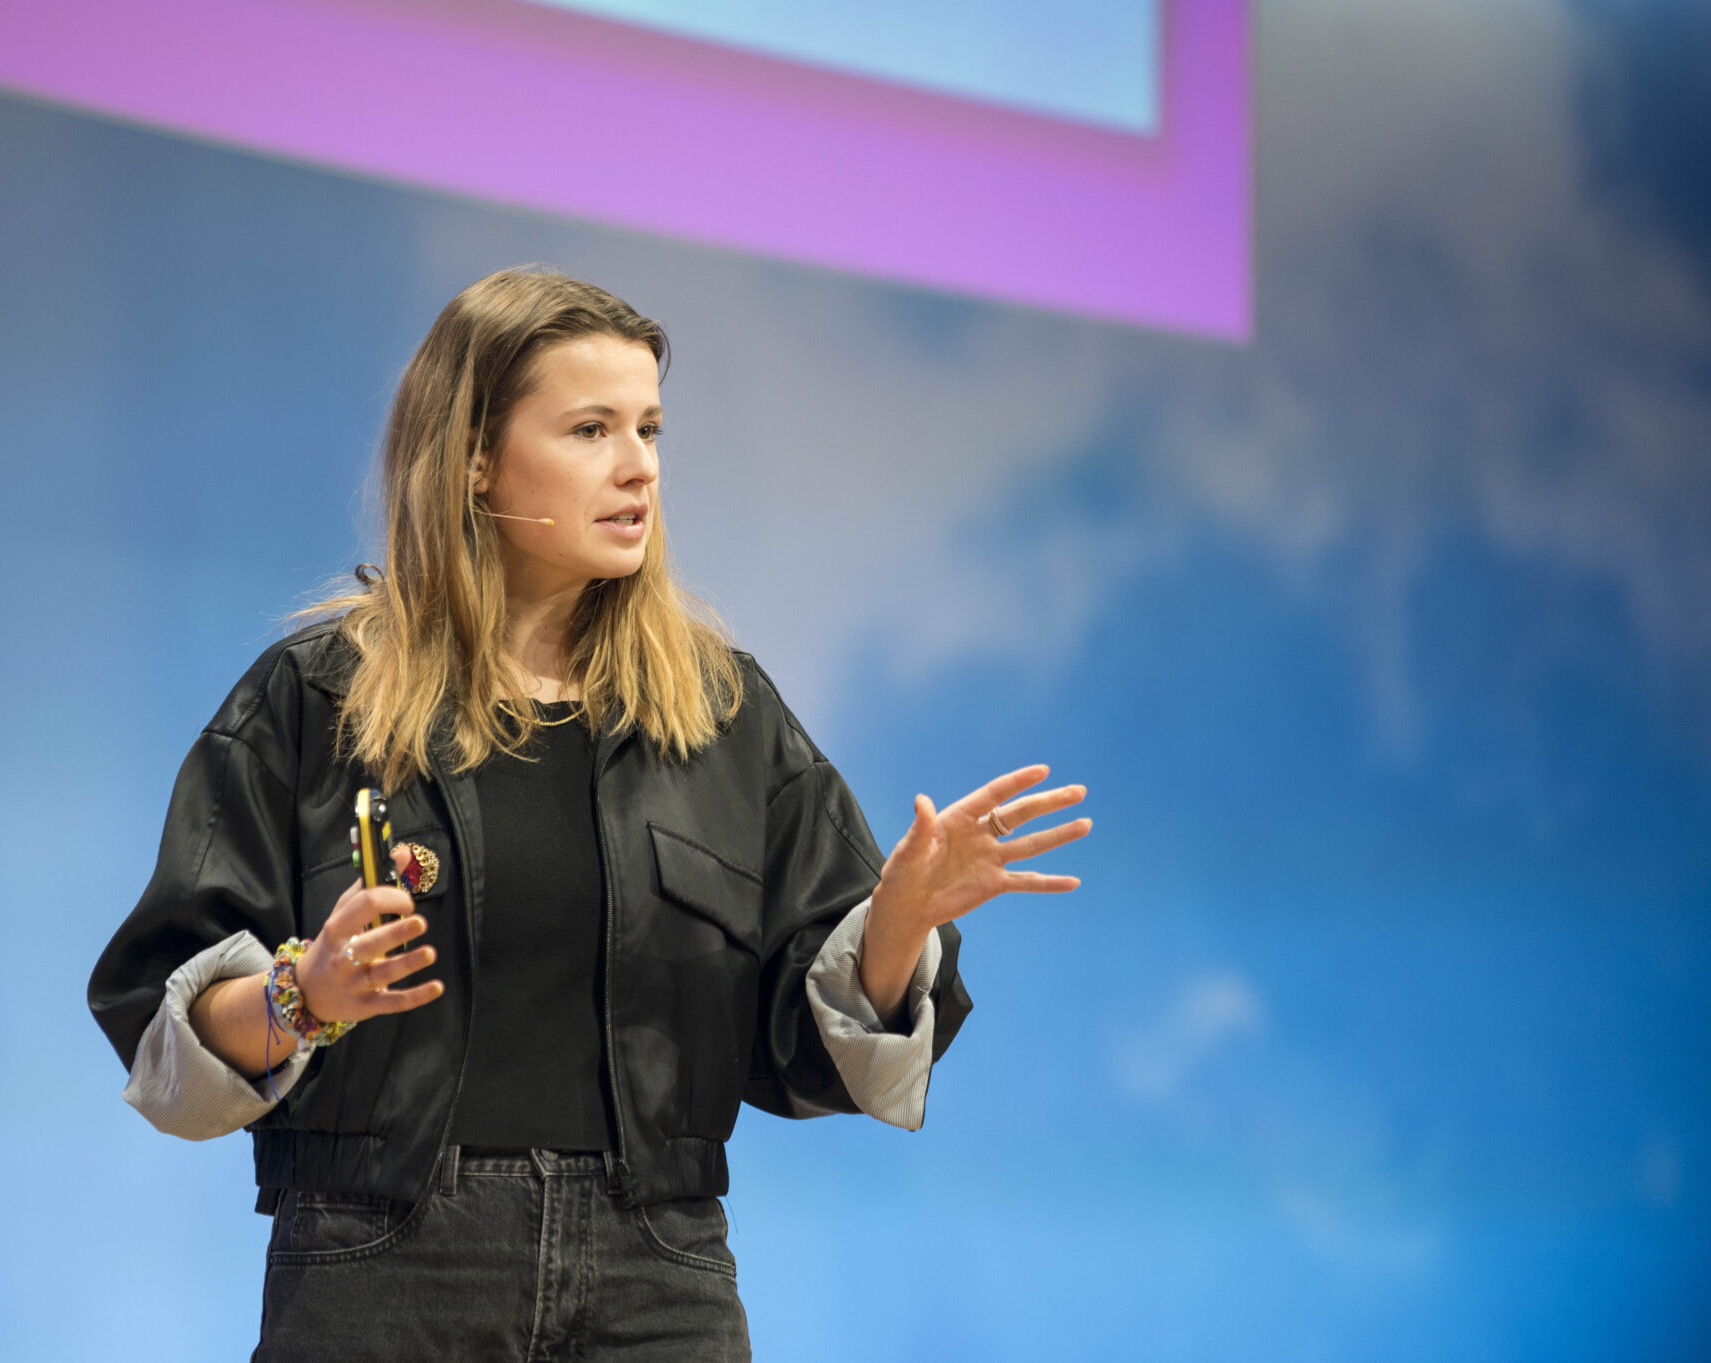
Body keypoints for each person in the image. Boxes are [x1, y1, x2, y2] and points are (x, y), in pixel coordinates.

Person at [87, 268, 1091, 1361]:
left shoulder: (720, 712)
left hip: (657, 1271)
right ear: (474, 457)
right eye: (590, 428)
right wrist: (304, 994)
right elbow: (165, 1026)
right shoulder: (318, 699)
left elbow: (808, 1048)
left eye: (649, 428)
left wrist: (898, 920)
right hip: (382, 1262)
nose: (639, 465)